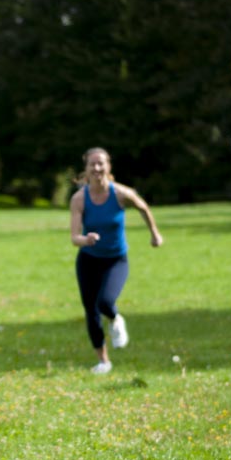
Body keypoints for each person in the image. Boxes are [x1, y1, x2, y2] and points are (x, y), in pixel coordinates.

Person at [68, 146, 163, 374]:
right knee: (90, 310)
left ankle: (115, 318)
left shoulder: (120, 193)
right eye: (93, 164)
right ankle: (103, 361)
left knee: (105, 302)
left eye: (101, 163)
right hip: (88, 259)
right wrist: (86, 239)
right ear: (87, 168)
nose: (97, 167)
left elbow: (143, 207)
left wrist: (154, 233)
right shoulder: (79, 199)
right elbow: (74, 238)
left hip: (115, 260)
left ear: (108, 167)